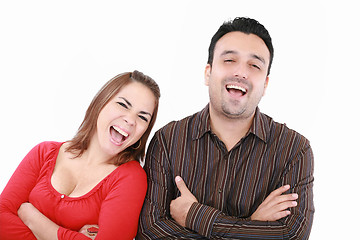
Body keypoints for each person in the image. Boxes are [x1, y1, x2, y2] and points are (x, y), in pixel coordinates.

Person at [137, 17, 314, 239]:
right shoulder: (168, 140)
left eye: (255, 65)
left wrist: (195, 215)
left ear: (265, 84)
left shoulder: (293, 150)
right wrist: (252, 226)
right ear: (208, 73)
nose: (241, 72)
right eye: (229, 60)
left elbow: (291, 235)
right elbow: (150, 232)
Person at [0, 70, 161, 240]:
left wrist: (30, 216)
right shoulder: (44, 152)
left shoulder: (131, 178)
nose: (130, 120)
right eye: (123, 105)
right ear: (101, 102)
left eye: (143, 117)